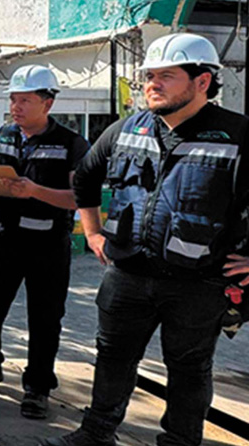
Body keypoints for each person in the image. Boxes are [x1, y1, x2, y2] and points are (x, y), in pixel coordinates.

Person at [45, 34, 249, 446]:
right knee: (113, 357)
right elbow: (85, 178)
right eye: (148, 76)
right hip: (128, 275)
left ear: (202, 81)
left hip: (198, 282)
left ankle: (179, 442)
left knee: (189, 369)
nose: (151, 84)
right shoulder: (126, 130)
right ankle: (97, 433)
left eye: (165, 77)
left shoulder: (237, 134)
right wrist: (92, 232)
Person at [0, 65, 89, 419]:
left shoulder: (72, 144)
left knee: (45, 318)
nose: (16, 106)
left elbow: (79, 199)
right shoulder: (0, 135)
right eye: (13, 99)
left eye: (24, 100)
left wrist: (35, 191)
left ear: (47, 102)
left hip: (47, 244)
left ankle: (38, 387)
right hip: (3, 239)